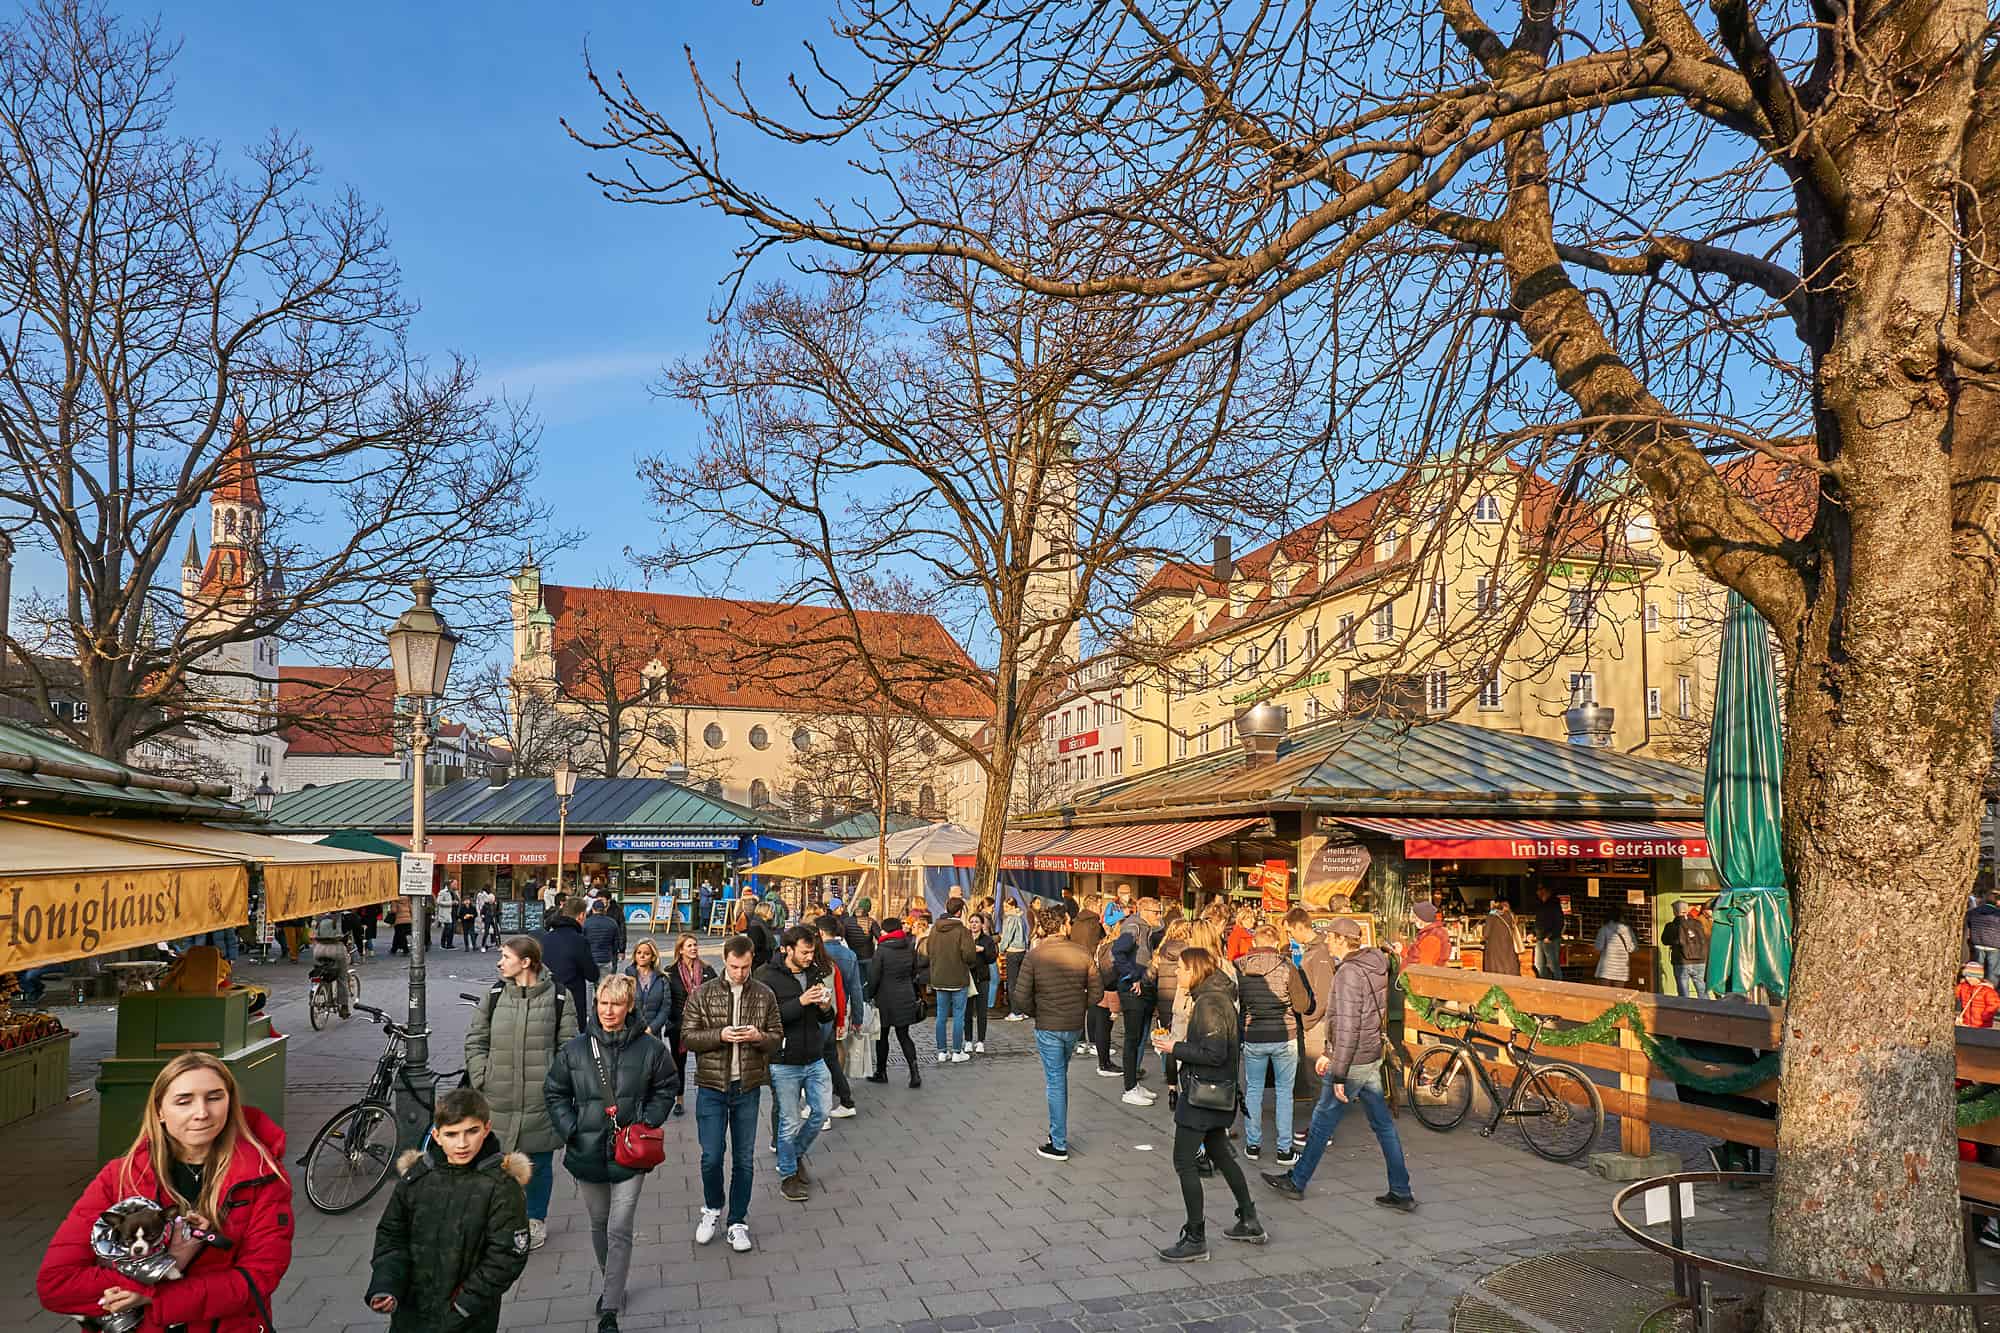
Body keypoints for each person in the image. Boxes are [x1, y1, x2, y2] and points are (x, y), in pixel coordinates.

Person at [39, 1053, 293, 1333]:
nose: (202, 1112)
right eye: (184, 1101)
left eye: (214, 1097)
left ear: (231, 1102)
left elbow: (257, 1279)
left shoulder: (262, 1178)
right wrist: (151, 1275)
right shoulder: (120, 1177)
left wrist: (151, 1296)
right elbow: (57, 1284)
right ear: (160, 1111)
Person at [544, 972, 676, 1333]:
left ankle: (610, 1307)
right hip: (586, 1151)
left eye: (616, 1004)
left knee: (619, 1226)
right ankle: (611, 1280)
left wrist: (648, 1120)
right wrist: (570, 1128)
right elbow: (554, 1091)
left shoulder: (650, 1049)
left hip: (630, 1153)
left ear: (629, 1005)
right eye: (603, 1003)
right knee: (600, 1224)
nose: (608, 1010)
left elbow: (667, 1085)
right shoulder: (576, 1049)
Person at [1264, 919, 1415, 1211]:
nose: (1328, 942)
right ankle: (1401, 1189)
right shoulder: (1375, 964)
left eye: (1331, 937)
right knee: (1383, 1125)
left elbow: (1346, 1026)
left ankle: (1297, 1181)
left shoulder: (1348, 972)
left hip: (1353, 1058)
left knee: (1322, 1121)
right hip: (1370, 1054)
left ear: (1342, 940)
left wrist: (1338, 1070)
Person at [365, 1088, 531, 1332]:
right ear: (437, 1135)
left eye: (471, 1132)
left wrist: (463, 1305)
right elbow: (392, 1235)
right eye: (452, 1134)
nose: (462, 1144)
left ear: (486, 1128)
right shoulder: (418, 1177)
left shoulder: (500, 1186)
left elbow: (506, 1255)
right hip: (411, 1315)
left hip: (466, 1320)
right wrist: (386, 1284)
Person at [465, 935, 577, 1250]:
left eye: (506, 956)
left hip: (540, 1098)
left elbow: (568, 1047)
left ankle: (535, 1220)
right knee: (495, 1164)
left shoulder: (558, 997)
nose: (500, 962)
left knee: (538, 1166)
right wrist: (481, 1076)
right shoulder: (496, 994)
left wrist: (556, 1084)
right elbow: (476, 1039)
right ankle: (501, 1219)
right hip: (497, 1096)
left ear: (526, 962)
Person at [1152, 946, 1264, 1261]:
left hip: (1203, 1095)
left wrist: (1175, 1047)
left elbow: (1214, 1053)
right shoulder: (1215, 996)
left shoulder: (1209, 1003)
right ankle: (1249, 1219)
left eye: (1182, 969)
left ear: (1196, 970)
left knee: (1184, 1161)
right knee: (1221, 1154)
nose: (1177, 973)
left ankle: (1195, 1237)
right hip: (1216, 1095)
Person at [680, 935, 784, 1253]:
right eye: (734, 966)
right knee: (711, 1156)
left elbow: (777, 1037)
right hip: (711, 1086)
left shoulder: (764, 994)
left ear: (752, 960)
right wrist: (720, 1035)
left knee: (744, 1160)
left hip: (747, 1086)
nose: (739, 973)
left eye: (745, 967)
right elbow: (687, 1036)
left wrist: (758, 1036)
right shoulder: (703, 992)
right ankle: (712, 1207)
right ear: (725, 960)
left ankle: (737, 1221)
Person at [755, 926, 838, 1202]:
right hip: (784, 1060)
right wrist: (800, 1001)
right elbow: (766, 1018)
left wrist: (826, 1008)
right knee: (789, 1121)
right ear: (787, 950)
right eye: (804, 952)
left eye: (812, 951)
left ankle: (794, 1152)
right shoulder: (767, 976)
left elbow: (825, 1017)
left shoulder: (813, 971)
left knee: (822, 1111)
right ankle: (788, 1174)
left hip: (814, 1056)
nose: (809, 956)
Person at [1013, 905, 1102, 1162]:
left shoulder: (1035, 955)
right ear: (1064, 923)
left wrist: (1037, 1012)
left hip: (1048, 1025)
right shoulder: (1083, 952)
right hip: (1072, 1025)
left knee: (1055, 1080)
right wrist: (1079, 1006)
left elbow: (1020, 997)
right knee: (1059, 1075)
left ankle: (1059, 1142)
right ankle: (1057, 1136)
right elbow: (1096, 992)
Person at [1236, 922, 1310, 1164]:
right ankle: (1284, 1150)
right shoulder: (1287, 966)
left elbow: (1237, 1003)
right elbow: (1302, 1006)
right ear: (1277, 943)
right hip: (1284, 1035)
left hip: (1253, 1034)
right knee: (1284, 1092)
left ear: (1255, 943)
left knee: (1254, 1090)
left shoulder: (1240, 968)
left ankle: (1253, 1145)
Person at [866, 916, 928, 1087]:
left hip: (885, 998)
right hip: (905, 996)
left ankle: (881, 1072)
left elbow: (874, 977)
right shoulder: (908, 946)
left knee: (882, 1037)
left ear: (886, 931)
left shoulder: (882, 950)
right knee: (904, 1035)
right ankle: (915, 1073)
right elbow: (914, 971)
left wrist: (869, 994)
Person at [1112, 896, 1164, 1099]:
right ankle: (1129, 1087)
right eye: (1155, 912)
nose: (1159, 916)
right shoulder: (1134, 927)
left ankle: (1134, 1083)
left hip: (1144, 989)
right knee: (1132, 1039)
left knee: (1140, 1036)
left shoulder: (1147, 930)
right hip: (1133, 991)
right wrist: (1132, 975)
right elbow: (1118, 951)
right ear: (1143, 911)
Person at [816, 913, 865, 1116]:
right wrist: (858, 1017)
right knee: (838, 1046)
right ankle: (839, 1083)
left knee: (823, 1051)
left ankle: (830, 1088)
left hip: (824, 1007)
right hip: (842, 1008)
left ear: (820, 932)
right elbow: (856, 988)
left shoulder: (817, 954)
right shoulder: (849, 954)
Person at [665, 933, 716, 1118]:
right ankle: (679, 1099)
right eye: (689, 946)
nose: (693, 948)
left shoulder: (707, 970)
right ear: (680, 950)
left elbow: (716, 995)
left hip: (703, 1024)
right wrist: (671, 1019)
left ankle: (708, 1096)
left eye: (695, 945)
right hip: (679, 1025)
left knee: (705, 1061)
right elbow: (667, 999)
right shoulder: (670, 971)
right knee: (679, 1063)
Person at [924, 901, 978, 1063]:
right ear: (960, 911)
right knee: (958, 1015)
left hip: (939, 977)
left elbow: (928, 951)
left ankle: (941, 1051)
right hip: (958, 977)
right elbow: (969, 955)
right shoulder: (963, 931)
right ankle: (956, 1051)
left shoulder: (934, 929)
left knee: (941, 1015)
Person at [541, 895, 600, 1020]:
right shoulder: (579, 940)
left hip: (547, 998)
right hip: (572, 998)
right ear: (581, 916)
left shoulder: (545, 938)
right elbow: (592, 974)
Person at [310, 910, 353, 1018]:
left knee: (325, 973)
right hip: (336, 950)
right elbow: (355, 932)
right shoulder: (345, 917)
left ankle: (324, 997)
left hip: (319, 950)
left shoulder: (320, 918)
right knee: (341, 978)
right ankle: (344, 1007)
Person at [966, 911, 998, 1053]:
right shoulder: (965, 938)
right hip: (967, 978)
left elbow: (992, 958)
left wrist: (983, 950)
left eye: (976, 922)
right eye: (972, 921)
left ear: (981, 924)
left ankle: (980, 1041)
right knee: (967, 1011)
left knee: (981, 1011)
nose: (974, 924)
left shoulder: (987, 940)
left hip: (982, 978)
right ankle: (967, 1040)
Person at [1662, 901, 1709, 997]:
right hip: (1700, 961)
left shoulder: (1671, 926)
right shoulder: (1698, 923)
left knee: (1683, 994)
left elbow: (1665, 941)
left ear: (1675, 911)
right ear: (1687, 910)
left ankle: (1686, 1011)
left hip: (1681, 962)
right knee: (1703, 991)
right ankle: (1707, 1010)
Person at [998, 897, 1030, 1020]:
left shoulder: (1011, 919)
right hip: (1022, 951)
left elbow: (1007, 937)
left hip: (1012, 952)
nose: (1004, 909)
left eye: (1006, 907)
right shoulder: (1021, 918)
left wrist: (1000, 949)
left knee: (1012, 984)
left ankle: (1015, 1012)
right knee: (1022, 983)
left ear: (1012, 907)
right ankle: (1023, 1010)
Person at [1593, 907, 1639, 988]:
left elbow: (1598, 947)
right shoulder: (1627, 930)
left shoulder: (1604, 929)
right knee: (1618, 995)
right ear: (1621, 917)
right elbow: (1632, 948)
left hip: (1606, 968)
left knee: (1605, 995)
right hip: (1621, 968)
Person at [1481, 897, 1523, 976]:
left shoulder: (1492, 915)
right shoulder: (1510, 915)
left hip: (1494, 950)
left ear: (1497, 903)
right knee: (1509, 970)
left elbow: (1486, 934)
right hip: (1509, 948)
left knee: (1496, 972)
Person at [583, 897, 626, 972]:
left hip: (591, 959)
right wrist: (618, 953)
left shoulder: (586, 923)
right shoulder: (612, 923)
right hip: (606, 958)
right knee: (605, 982)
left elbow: (582, 942)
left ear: (593, 909)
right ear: (604, 909)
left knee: (590, 983)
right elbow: (615, 943)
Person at [1532, 885, 1565, 980]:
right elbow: (1538, 922)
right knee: (1539, 965)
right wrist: (1534, 933)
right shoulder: (1541, 905)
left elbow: (1559, 923)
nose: (1537, 893)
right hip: (1540, 938)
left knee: (1553, 965)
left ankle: (1558, 986)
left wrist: (1550, 937)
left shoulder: (1554, 905)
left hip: (1551, 940)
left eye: (1539, 890)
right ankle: (1545, 985)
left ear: (1545, 891)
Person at [1406, 902, 1451, 967]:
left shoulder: (1432, 937)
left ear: (1422, 918)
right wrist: (1402, 950)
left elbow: (1424, 966)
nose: (1413, 920)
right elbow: (1417, 953)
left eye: (1415, 917)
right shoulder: (1430, 933)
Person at [1970, 889, 2000, 981]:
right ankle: (1990, 990)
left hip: (1977, 943)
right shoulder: (1998, 914)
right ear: (1998, 902)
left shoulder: (1974, 911)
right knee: (1993, 972)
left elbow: (1969, 924)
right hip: (1994, 945)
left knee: (1977, 970)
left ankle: (1975, 989)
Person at [1961, 961, 2000, 1029]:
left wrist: (1985, 1016)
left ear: (1978, 977)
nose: (1967, 979)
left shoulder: (1987, 991)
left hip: (1982, 1024)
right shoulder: (1964, 987)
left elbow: (1994, 1005)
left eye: (1970, 976)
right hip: (1967, 1022)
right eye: (1966, 976)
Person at [747, 901, 778, 970]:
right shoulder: (756, 925)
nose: (772, 913)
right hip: (760, 963)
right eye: (770, 911)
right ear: (764, 912)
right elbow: (756, 946)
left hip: (764, 961)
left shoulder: (764, 924)